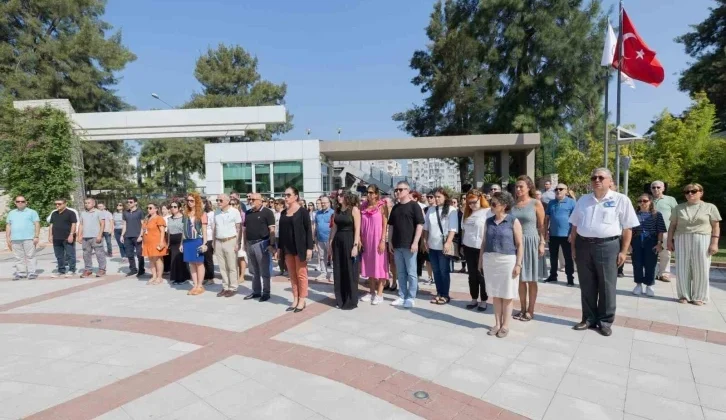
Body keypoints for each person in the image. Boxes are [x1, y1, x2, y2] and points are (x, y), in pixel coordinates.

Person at [570, 168, 639, 336]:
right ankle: (588, 319)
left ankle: (605, 321)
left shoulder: (620, 199)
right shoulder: (583, 200)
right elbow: (575, 226)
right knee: (586, 284)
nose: (597, 180)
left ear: (610, 181)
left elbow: (628, 228)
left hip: (608, 246)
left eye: (601, 177)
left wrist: (623, 251)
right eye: (594, 177)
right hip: (584, 245)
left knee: (607, 285)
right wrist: (573, 248)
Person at [667, 183, 721, 306]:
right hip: (681, 238)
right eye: (687, 192)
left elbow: (716, 226)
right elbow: (672, 226)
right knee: (682, 267)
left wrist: (714, 243)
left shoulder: (710, 207)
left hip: (702, 238)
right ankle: (683, 295)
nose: (690, 194)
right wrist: (669, 241)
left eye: (693, 191)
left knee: (701, 267)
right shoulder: (678, 208)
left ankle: (699, 296)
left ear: (701, 193)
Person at [478, 191, 523, 338]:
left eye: (494, 203)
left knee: (507, 293)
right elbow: (484, 242)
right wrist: (481, 260)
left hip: (507, 260)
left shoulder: (513, 221)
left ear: (504, 206)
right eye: (491, 202)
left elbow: (519, 244)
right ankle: (497, 323)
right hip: (490, 260)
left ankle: (505, 326)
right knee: (495, 294)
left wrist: (518, 264)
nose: (491, 205)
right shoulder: (488, 221)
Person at [510, 175, 545, 321]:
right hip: (516, 243)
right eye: (516, 186)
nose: (518, 189)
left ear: (528, 188)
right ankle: (522, 308)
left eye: (521, 186)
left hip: (531, 242)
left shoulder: (535, 203)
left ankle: (531, 310)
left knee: (531, 279)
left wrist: (542, 242)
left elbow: (542, 225)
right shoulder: (512, 205)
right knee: (520, 279)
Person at [388, 182, 425, 308]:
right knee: (401, 272)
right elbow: (391, 226)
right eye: (396, 190)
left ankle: (411, 297)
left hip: (409, 245)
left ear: (407, 190)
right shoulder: (395, 207)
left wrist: (415, 242)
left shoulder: (414, 206)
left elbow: (420, 225)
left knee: (412, 272)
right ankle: (402, 295)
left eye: (400, 189)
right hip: (397, 245)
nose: (397, 192)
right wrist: (390, 242)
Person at [279, 187, 314, 312]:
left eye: (288, 195)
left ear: (296, 196)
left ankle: (302, 299)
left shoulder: (303, 211)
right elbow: (281, 232)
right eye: (285, 195)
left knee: (301, 274)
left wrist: (309, 248)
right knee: (292, 275)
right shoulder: (283, 213)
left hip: (300, 248)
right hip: (287, 248)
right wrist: (279, 249)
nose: (286, 197)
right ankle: (295, 298)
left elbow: (309, 230)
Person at [423, 188, 458, 305]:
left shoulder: (451, 210)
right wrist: (425, 240)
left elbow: (453, 229)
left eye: (439, 197)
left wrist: (448, 243)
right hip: (432, 245)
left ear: (445, 197)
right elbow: (426, 227)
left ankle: (445, 294)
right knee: (436, 271)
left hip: (443, 245)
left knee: (444, 271)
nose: (436, 199)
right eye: (435, 197)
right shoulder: (430, 210)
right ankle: (439, 293)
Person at [329, 191, 362, 309]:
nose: (339, 197)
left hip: (349, 240)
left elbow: (357, 229)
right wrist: (331, 243)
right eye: (338, 195)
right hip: (338, 241)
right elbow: (334, 228)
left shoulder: (354, 209)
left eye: (341, 195)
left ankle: (350, 300)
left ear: (347, 196)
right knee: (338, 269)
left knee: (350, 270)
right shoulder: (336, 211)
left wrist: (355, 245)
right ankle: (340, 299)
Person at [631, 194, 667, 297]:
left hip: (651, 241)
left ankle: (649, 285)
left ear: (650, 202)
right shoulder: (634, 214)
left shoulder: (657, 215)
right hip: (637, 240)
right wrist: (629, 244)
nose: (642, 203)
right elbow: (629, 230)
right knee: (637, 263)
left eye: (645, 201)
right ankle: (638, 284)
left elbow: (660, 230)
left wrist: (659, 244)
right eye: (640, 201)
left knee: (650, 264)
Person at [359, 185, 389, 305]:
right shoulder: (363, 206)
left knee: (380, 266)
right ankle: (371, 292)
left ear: (376, 194)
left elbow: (385, 225)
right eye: (367, 192)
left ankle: (380, 294)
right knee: (369, 265)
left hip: (377, 240)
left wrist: (382, 241)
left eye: (371, 192)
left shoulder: (382, 206)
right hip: (366, 240)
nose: (369, 194)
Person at [461, 190, 491, 311]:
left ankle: (484, 300)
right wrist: (462, 245)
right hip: (468, 246)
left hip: (481, 247)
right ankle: (474, 298)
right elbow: (463, 230)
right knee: (472, 275)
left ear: (481, 199)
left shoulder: (487, 212)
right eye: (470, 203)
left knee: (481, 275)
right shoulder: (466, 213)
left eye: (474, 202)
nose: (472, 205)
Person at [243, 193, 276, 301]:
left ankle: (266, 292)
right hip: (250, 244)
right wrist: (244, 244)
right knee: (253, 270)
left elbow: (272, 230)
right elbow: (244, 230)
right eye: (249, 199)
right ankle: (256, 291)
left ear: (260, 200)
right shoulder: (247, 213)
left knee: (264, 270)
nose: (250, 201)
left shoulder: (267, 212)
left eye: (253, 199)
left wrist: (271, 244)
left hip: (262, 244)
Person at [544, 183, 576, 286]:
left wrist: (572, 233)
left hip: (567, 235)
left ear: (566, 191)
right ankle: (553, 275)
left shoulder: (572, 203)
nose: (558, 191)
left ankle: (570, 278)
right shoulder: (551, 203)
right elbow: (547, 218)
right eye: (556, 189)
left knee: (568, 258)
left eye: (561, 189)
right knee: (553, 257)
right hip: (553, 234)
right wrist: (546, 232)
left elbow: (576, 220)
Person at [5, 196, 40, 280]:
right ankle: (21, 273)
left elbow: (37, 224)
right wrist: (7, 237)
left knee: (30, 256)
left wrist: (36, 236)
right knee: (18, 257)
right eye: (18, 201)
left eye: (22, 201)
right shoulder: (11, 213)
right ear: (15, 202)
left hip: (29, 238)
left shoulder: (32, 212)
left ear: (26, 202)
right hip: (15, 238)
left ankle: (32, 272)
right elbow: (8, 225)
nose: (20, 203)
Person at [214, 194, 242, 297]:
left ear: (227, 201)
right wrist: (213, 242)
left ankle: (233, 287)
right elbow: (215, 228)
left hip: (230, 240)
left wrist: (238, 243)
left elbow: (239, 229)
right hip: (218, 241)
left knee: (231, 266)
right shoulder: (216, 212)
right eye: (217, 200)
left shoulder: (235, 212)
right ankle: (225, 287)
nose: (218, 202)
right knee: (222, 266)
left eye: (220, 200)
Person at [650, 180, 678, 282]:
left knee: (666, 253)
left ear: (663, 188)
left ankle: (664, 273)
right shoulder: (647, 199)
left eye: (658, 187)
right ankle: (650, 273)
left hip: (666, 231)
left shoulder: (670, 200)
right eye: (653, 187)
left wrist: (674, 231)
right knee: (650, 252)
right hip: (650, 231)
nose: (656, 189)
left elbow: (676, 215)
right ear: (651, 189)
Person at [181, 193, 208, 295]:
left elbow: (204, 230)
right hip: (187, 241)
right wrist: (181, 243)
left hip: (197, 240)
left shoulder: (202, 213)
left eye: (192, 201)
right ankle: (195, 285)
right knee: (191, 263)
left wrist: (204, 243)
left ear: (196, 202)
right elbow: (183, 230)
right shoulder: (186, 213)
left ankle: (200, 285)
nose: (189, 202)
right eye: (188, 200)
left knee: (199, 263)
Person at [78, 198, 107, 278]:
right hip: (85, 237)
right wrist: (79, 235)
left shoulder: (99, 212)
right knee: (86, 254)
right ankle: (88, 270)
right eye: (85, 203)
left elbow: (102, 224)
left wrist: (100, 235)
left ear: (93, 204)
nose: (87, 204)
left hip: (95, 237)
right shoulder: (83, 213)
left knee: (99, 253)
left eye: (88, 203)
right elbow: (81, 225)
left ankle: (102, 269)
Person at [49, 198, 78, 278]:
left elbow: (73, 224)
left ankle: (72, 270)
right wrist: (50, 235)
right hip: (56, 238)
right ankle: (61, 270)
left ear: (65, 204)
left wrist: (71, 234)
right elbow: (51, 225)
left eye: (59, 204)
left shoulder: (71, 213)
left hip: (67, 237)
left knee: (70, 254)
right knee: (59, 255)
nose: (57, 205)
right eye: (56, 204)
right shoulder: (54, 213)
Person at [142, 203, 167, 285]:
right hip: (147, 242)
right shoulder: (147, 219)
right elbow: (144, 230)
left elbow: (162, 231)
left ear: (156, 209)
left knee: (158, 259)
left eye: (150, 208)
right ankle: (154, 276)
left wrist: (161, 242)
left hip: (156, 241)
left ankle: (159, 277)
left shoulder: (159, 218)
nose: (148, 209)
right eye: (147, 208)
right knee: (151, 259)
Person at [122, 197, 146, 277]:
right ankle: (133, 269)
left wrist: (141, 235)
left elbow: (143, 225)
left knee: (139, 254)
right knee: (129, 254)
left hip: (137, 236)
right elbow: (124, 224)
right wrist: (122, 235)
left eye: (131, 202)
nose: (129, 203)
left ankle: (141, 270)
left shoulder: (140, 212)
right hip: (127, 236)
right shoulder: (125, 212)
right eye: (128, 202)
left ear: (135, 203)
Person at [167, 200, 190, 285]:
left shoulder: (184, 217)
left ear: (179, 208)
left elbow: (184, 231)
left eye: (175, 207)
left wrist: (181, 243)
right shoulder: (169, 218)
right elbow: (169, 231)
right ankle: (176, 277)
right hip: (172, 239)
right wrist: (168, 242)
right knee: (173, 259)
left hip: (180, 238)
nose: (172, 208)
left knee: (180, 259)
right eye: (171, 207)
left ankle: (183, 278)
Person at [313, 196, 334, 280]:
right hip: (320, 238)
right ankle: (323, 273)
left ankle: (333, 273)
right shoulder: (317, 213)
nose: (323, 204)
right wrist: (314, 237)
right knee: (322, 257)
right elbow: (316, 225)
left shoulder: (333, 213)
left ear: (329, 203)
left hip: (329, 238)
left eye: (324, 202)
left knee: (332, 257)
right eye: (322, 202)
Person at [230, 198, 248, 284]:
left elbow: (245, 227)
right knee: (235, 256)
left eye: (233, 204)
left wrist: (243, 240)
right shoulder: (229, 214)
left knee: (241, 256)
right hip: (232, 236)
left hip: (241, 236)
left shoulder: (242, 214)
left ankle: (242, 276)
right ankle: (237, 275)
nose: (232, 206)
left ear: (238, 205)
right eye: (231, 204)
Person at [202, 198, 216, 283]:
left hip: (209, 238)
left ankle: (211, 278)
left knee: (208, 259)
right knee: (202, 259)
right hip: (201, 238)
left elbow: (213, 227)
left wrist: (214, 240)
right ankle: (205, 277)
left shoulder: (211, 214)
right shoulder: (199, 214)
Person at [273, 198, 286, 276]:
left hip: (284, 236)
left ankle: (287, 269)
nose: (275, 205)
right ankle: (281, 269)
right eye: (275, 203)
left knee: (286, 254)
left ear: (281, 205)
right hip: (277, 236)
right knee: (279, 254)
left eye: (277, 203)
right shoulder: (274, 214)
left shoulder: (285, 213)